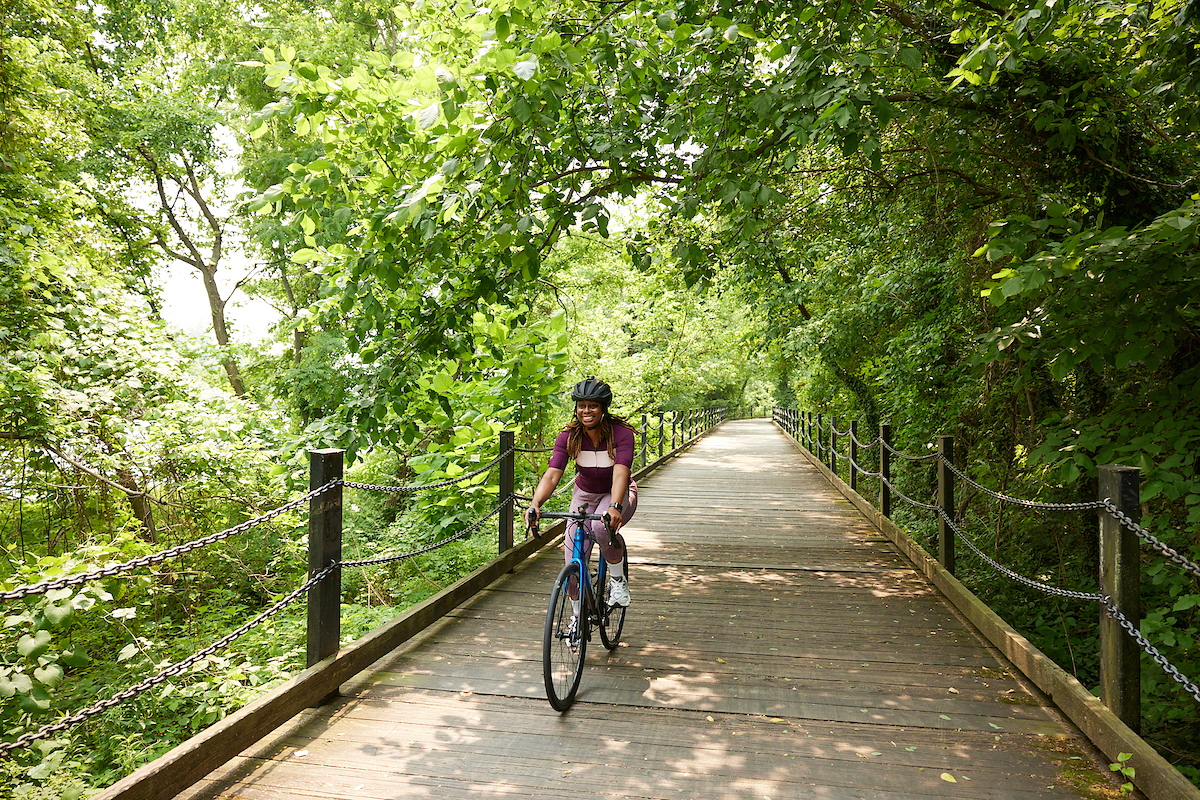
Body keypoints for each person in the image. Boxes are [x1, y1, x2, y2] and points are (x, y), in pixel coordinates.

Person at [525, 376, 638, 611]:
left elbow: (620, 474)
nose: (586, 411)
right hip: (585, 494)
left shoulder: (622, 434)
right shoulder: (569, 437)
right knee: (572, 571)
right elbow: (552, 475)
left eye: (593, 405)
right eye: (581, 406)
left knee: (601, 527)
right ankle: (577, 617)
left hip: (617, 492)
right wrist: (535, 504)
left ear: (603, 408)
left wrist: (615, 506)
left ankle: (618, 581)